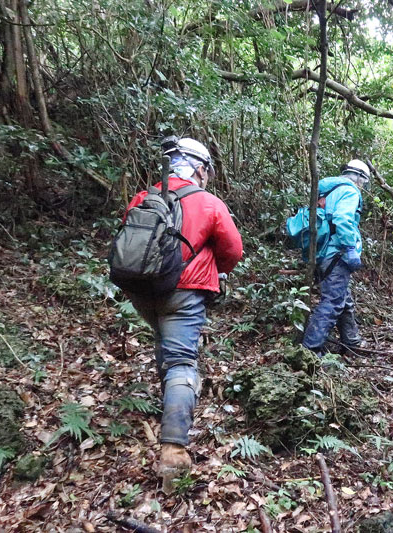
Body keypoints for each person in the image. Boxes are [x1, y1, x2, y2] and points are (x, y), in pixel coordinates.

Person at [123, 137, 243, 491]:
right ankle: (173, 451)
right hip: (184, 293)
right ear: (200, 169)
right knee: (181, 362)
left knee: (165, 346)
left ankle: (169, 402)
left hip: (141, 293)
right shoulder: (208, 202)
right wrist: (210, 266)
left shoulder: (144, 197)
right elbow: (233, 251)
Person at [302, 159, 370, 356]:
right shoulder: (349, 191)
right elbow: (342, 218)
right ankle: (310, 349)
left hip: (321, 252)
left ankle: (351, 341)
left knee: (342, 298)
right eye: (363, 182)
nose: (363, 186)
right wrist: (350, 247)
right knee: (333, 301)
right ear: (359, 178)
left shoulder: (327, 191)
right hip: (336, 254)